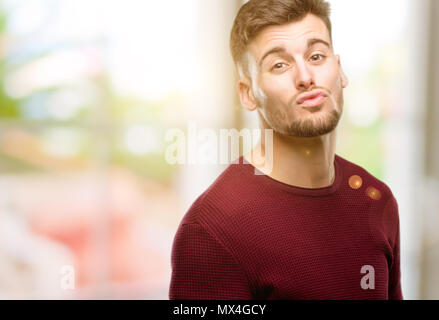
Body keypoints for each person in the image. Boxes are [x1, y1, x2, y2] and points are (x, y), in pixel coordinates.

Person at [169, 0, 402, 299]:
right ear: (248, 93)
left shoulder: (376, 200)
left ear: (340, 71)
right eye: (279, 65)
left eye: (316, 56)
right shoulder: (212, 230)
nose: (305, 77)